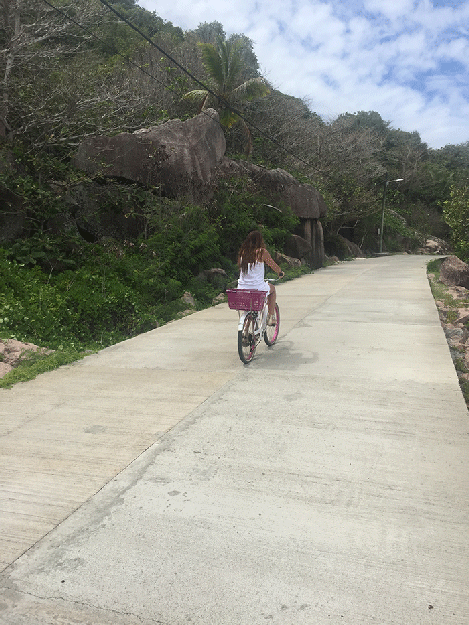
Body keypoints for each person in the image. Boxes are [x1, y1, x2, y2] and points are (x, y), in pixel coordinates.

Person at [237, 230, 284, 325]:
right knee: (273, 290)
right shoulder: (261, 252)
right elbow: (273, 265)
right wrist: (280, 272)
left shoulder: (243, 252)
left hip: (242, 288)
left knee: (251, 308)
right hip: (257, 288)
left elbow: (241, 268)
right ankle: (270, 318)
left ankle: (245, 331)